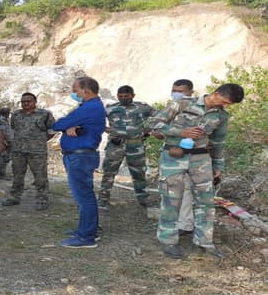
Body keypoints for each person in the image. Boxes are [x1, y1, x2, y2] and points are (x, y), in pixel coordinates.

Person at [145, 83, 244, 259]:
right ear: (216, 93)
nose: (225, 105)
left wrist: (218, 167)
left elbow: (218, 142)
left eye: (229, 104)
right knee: (171, 200)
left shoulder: (221, 115)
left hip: (201, 159)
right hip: (173, 157)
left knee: (206, 202)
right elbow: (152, 123)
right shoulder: (182, 103)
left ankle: (204, 242)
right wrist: (180, 132)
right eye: (224, 101)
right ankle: (168, 241)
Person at [52, 77, 106, 248]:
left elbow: (58, 124)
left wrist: (67, 125)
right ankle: (88, 229)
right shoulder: (91, 106)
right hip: (81, 156)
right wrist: (69, 127)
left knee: (84, 196)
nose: (74, 93)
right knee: (85, 194)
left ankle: (86, 237)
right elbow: (68, 125)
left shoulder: (90, 107)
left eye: (76, 90)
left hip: (80, 157)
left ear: (86, 90)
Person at [98, 85, 156, 207]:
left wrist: (148, 129)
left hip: (135, 145)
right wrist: (105, 129)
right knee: (109, 173)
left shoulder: (142, 107)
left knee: (139, 174)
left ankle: (144, 200)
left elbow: (162, 116)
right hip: (115, 146)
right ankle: (103, 198)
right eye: (120, 96)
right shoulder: (110, 108)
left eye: (126, 96)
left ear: (133, 95)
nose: (123, 98)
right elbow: (95, 120)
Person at [152, 79, 196, 236]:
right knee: (170, 190)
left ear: (191, 92)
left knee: (187, 189)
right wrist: (164, 133)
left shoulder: (198, 109)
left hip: (191, 155)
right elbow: (155, 127)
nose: (176, 94)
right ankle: (172, 223)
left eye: (180, 91)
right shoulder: (172, 107)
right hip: (171, 155)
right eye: (174, 90)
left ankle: (184, 224)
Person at [2, 93, 56, 210]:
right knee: (17, 175)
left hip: (37, 152)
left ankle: (42, 199)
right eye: (23, 101)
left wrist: (41, 141)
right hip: (18, 151)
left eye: (28, 101)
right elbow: (13, 129)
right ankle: (14, 197)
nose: (25, 103)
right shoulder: (16, 114)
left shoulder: (45, 114)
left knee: (40, 176)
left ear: (35, 102)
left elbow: (52, 130)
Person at [0, 107, 13, 179]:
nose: (9, 114)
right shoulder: (1, 120)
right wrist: (3, 141)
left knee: (2, 157)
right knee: (4, 157)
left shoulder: (5, 120)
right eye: (8, 113)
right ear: (6, 113)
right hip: (3, 141)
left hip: (7, 141)